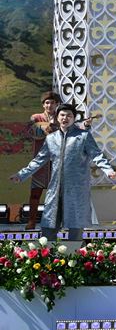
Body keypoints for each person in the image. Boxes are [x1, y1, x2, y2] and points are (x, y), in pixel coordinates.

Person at [10, 103, 116, 244]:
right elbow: (38, 160)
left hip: (76, 190)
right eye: (62, 115)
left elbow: (96, 154)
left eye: (69, 115)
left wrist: (108, 169)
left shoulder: (83, 136)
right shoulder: (51, 138)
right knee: (48, 228)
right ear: (57, 117)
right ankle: (48, 256)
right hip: (55, 190)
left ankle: (76, 256)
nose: (65, 118)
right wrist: (21, 175)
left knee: (76, 230)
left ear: (74, 118)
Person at [21, 91, 60, 228]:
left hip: (56, 162)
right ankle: (31, 221)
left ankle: (55, 222)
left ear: (57, 104)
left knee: (56, 196)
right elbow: (29, 130)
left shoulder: (61, 117)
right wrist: (45, 127)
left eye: (52, 102)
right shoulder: (36, 117)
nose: (50, 105)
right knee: (35, 193)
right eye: (47, 103)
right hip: (40, 162)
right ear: (43, 104)